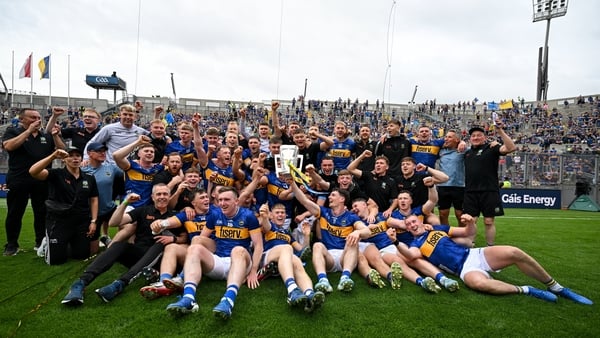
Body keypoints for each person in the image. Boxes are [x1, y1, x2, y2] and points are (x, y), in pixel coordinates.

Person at [397, 213, 593, 305]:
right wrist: (397, 242)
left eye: (413, 221)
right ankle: (526, 289)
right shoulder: (415, 245)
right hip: (462, 270)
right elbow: (411, 256)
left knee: (515, 252)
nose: (412, 225)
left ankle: (556, 287)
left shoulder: (439, 228)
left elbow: (468, 232)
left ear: (420, 221)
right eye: (408, 224)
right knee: (478, 284)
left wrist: (471, 222)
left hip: (474, 255)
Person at [61, 185, 183, 306]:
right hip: (139, 254)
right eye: (158, 194)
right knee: (119, 245)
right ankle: (80, 283)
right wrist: (125, 202)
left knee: (160, 243)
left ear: (169, 196)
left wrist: (173, 238)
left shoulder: (175, 216)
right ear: (152, 197)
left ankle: (119, 284)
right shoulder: (143, 210)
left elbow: (185, 238)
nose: (162, 197)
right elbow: (114, 223)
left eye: (165, 194)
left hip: (160, 259)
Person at [165, 187, 263, 319]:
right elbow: (201, 239)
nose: (222, 203)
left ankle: (228, 301)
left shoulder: (248, 216)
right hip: (219, 261)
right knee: (195, 245)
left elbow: (258, 245)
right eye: (220, 200)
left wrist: (253, 271)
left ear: (236, 201)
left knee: (237, 249)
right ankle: (188, 298)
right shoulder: (215, 215)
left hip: (240, 262)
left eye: (227, 199)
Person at [290, 178, 372, 293]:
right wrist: (292, 184)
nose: (329, 197)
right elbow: (304, 201)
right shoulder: (324, 212)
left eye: (333, 195)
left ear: (342, 199)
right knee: (317, 245)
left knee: (353, 241)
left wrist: (357, 232)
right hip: (329, 257)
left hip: (346, 256)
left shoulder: (351, 217)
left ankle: (345, 278)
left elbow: (367, 231)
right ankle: (323, 281)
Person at [2, 107, 65, 256]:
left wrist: (55, 136)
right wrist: (29, 131)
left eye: (38, 117)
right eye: (32, 118)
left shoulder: (46, 136)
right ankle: (11, 245)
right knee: (15, 212)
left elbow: (63, 152)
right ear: (22, 119)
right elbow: (9, 146)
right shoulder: (13, 131)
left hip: (42, 179)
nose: (37, 120)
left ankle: (40, 242)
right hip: (19, 179)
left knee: (42, 212)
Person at [29, 147, 98, 265]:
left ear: (81, 159)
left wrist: (93, 221)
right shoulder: (56, 174)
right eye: (70, 155)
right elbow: (33, 171)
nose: (75, 158)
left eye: (78, 155)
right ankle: (48, 243)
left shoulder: (89, 178)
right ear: (64, 160)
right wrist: (53, 156)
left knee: (81, 256)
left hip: (81, 221)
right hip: (59, 220)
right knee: (56, 261)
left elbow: (94, 199)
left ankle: (66, 242)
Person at [256, 203, 325, 312]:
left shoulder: (287, 234)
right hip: (268, 254)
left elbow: (302, 250)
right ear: (272, 216)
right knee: (287, 248)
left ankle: (309, 294)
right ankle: (292, 290)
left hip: (285, 258)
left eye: (282, 213)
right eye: (277, 213)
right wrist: (264, 217)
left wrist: (306, 235)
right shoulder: (269, 226)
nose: (280, 215)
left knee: (297, 260)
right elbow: (265, 225)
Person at [464, 122, 516, 246]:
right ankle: (470, 247)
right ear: (470, 139)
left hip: (489, 191)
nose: (476, 137)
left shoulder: (492, 148)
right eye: (473, 136)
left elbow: (511, 148)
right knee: (470, 221)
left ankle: (490, 247)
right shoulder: (466, 153)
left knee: (489, 221)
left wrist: (500, 131)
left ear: (485, 137)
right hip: (470, 192)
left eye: (479, 135)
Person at [81, 142, 123, 250]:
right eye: (99, 151)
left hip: (110, 208)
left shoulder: (111, 168)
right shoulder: (81, 169)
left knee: (129, 225)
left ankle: (112, 244)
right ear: (90, 153)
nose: (103, 153)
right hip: (90, 213)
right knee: (92, 250)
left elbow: (128, 171)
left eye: (104, 151)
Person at [83, 103, 148, 164]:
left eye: (130, 115)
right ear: (120, 115)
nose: (128, 117)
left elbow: (155, 135)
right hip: (112, 166)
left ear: (135, 117)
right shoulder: (109, 128)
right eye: (125, 114)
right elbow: (92, 142)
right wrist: (86, 159)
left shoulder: (141, 131)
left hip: (130, 167)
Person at [113, 135, 165, 209]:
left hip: (148, 208)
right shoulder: (130, 166)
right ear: (139, 154)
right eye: (146, 151)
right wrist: (137, 143)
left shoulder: (158, 168)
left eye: (152, 152)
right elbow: (116, 155)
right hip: (129, 206)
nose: (150, 153)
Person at [347, 150, 398, 216]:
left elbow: (395, 199)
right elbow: (350, 169)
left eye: (381, 163)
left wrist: (390, 210)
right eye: (377, 163)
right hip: (367, 212)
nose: (378, 165)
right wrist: (362, 156)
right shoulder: (369, 175)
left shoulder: (391, 181)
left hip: (382, 214)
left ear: (387, 167)